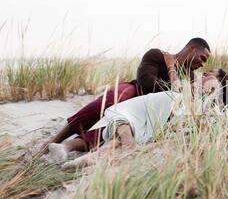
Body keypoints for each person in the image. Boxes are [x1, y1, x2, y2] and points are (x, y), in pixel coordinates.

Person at [36, 38, 211, 157]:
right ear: (191, 48)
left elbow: (182, 101)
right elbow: (146, 82)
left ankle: (70, 146)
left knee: (115, 125)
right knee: (116, 98)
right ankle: (56, 139)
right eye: (202, 58)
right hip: (135, 91)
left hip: (150, 110)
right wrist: (173, 86)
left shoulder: (190, 77)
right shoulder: (158, 55)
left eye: (205, 62)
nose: (202, 64)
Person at [54, 69, 228, 169]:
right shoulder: (190, 89)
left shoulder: (205, 98)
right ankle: (84, 155)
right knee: (127, 137)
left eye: (210, 74)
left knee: (124, 138)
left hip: (149, 116)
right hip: (141, 108)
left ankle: (89, 157)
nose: (205, 74)